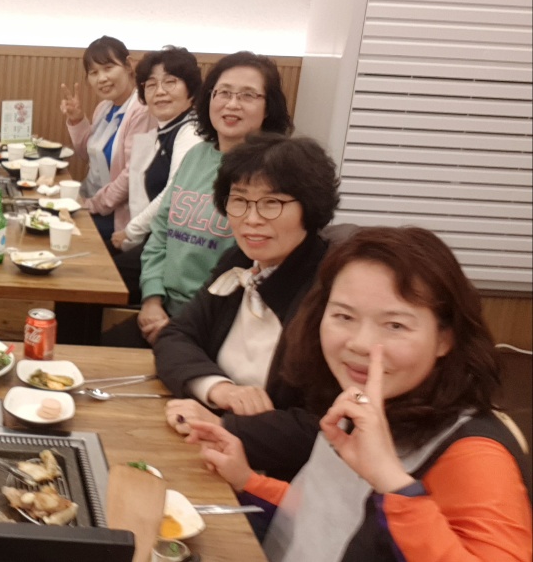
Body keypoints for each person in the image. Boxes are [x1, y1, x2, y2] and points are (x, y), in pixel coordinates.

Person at [187, 227, 532, 561]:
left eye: (395, 325)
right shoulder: (361, 401)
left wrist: (392, 482)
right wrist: (247, 479)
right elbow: (332, 516)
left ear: (445, 338)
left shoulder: (474, 455)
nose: (361, 344)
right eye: (344, 316)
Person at [155, 134, 338, 479]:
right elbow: (176, 335)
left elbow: (328, 427)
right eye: (239, 200)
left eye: (271, 203)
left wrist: (225, 426)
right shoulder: (239, 260)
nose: (251, 218)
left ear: (310, 207)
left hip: (279, 481)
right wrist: (220, 390)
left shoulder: (331, 293)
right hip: (207, 450)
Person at [129, 51, 294, 346]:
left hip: (218, 326)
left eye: (247, 95)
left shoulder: (274, 173)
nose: (232, 104)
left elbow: (257, 271)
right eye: (224, 93)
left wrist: (185, 325)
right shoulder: (197, 156)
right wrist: (151, 299)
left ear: (268, 107)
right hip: (163, 311)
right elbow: (161, 232)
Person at [109, 46, 204, 301]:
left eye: (170, 82)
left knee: (103, 278)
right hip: (159, 238)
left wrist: (131, 231)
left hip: (176, 247)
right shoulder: (169, 130)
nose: (159, 91)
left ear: (191, 89)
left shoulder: (191, 132)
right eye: (151, 85)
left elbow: (173, 194)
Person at [59, 35, 154, 245]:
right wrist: (76, 119)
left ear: (128, 65)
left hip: (117, 216)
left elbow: (131, 176)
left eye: (108, 68)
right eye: (94, 72)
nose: (101, 78)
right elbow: (87, 155)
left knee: (58, 231)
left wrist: (92, 205)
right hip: (91, 199)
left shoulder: (142, 111)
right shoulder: (104, 107)